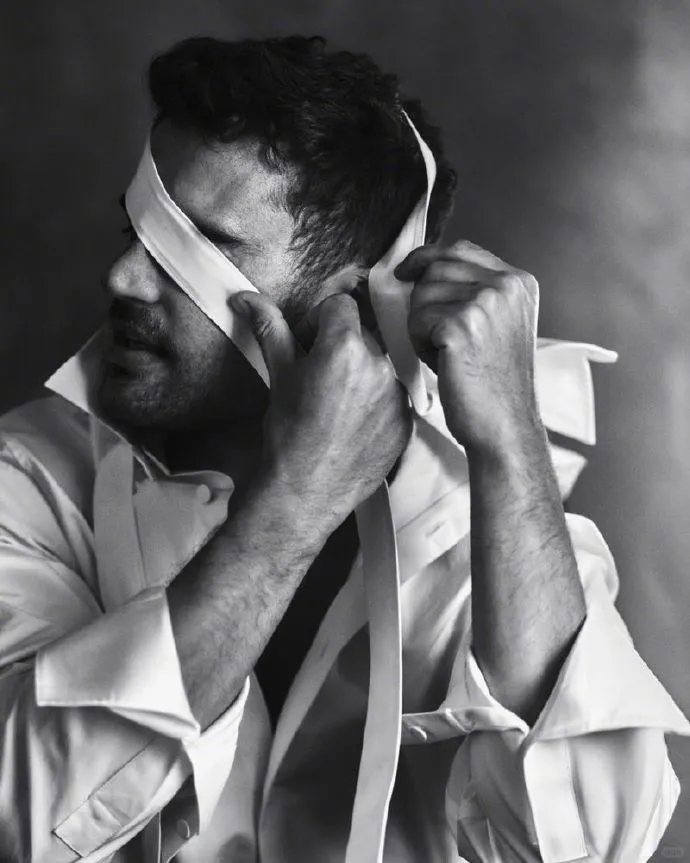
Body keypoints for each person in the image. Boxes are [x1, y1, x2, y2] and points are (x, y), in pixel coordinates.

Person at [0, 34, 687, 863]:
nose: (123, 278)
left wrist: (511, 449)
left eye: (196, 248)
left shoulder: (477, 520)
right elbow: (23, 821)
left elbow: (592, 848)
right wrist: (290, 514)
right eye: (134, 228)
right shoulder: (32, 478)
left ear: (352, 303)